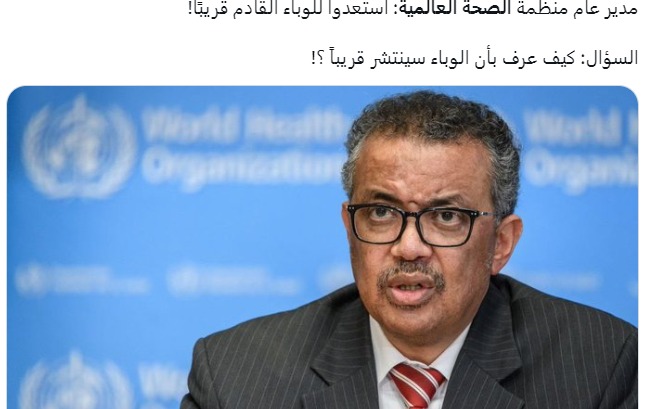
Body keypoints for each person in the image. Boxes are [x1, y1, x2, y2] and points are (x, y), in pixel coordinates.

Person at [180, 90, 638, 409]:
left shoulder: (602, 368)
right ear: (350, 228)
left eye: (446, 216)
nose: (409, 247)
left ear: (501, 244)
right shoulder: (235, 377)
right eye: (381, 212)